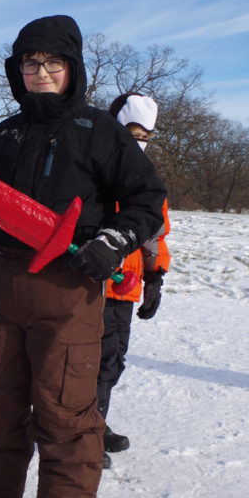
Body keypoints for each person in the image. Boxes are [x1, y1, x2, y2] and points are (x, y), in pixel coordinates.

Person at [0, 15, 166, 498]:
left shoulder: (100, 131)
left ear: (72, 69)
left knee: (64, 406)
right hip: (3, 284)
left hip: (68, 289)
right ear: (16, 71)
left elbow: (147, 199)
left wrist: (114, 240)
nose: (40, 73)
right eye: (30, 64)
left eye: (52, 63)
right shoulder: (4, 135)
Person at [98, 93, 171, 469]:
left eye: (146, 136)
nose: (139, 142)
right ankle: (81, 434)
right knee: (85, 363)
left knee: (112, 361)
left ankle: (95, 424)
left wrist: (156, 277)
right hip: (89, 284)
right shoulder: (94, 165)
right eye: (132, 132)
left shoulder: (146, 179)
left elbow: (155, 235)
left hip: (125, 289)